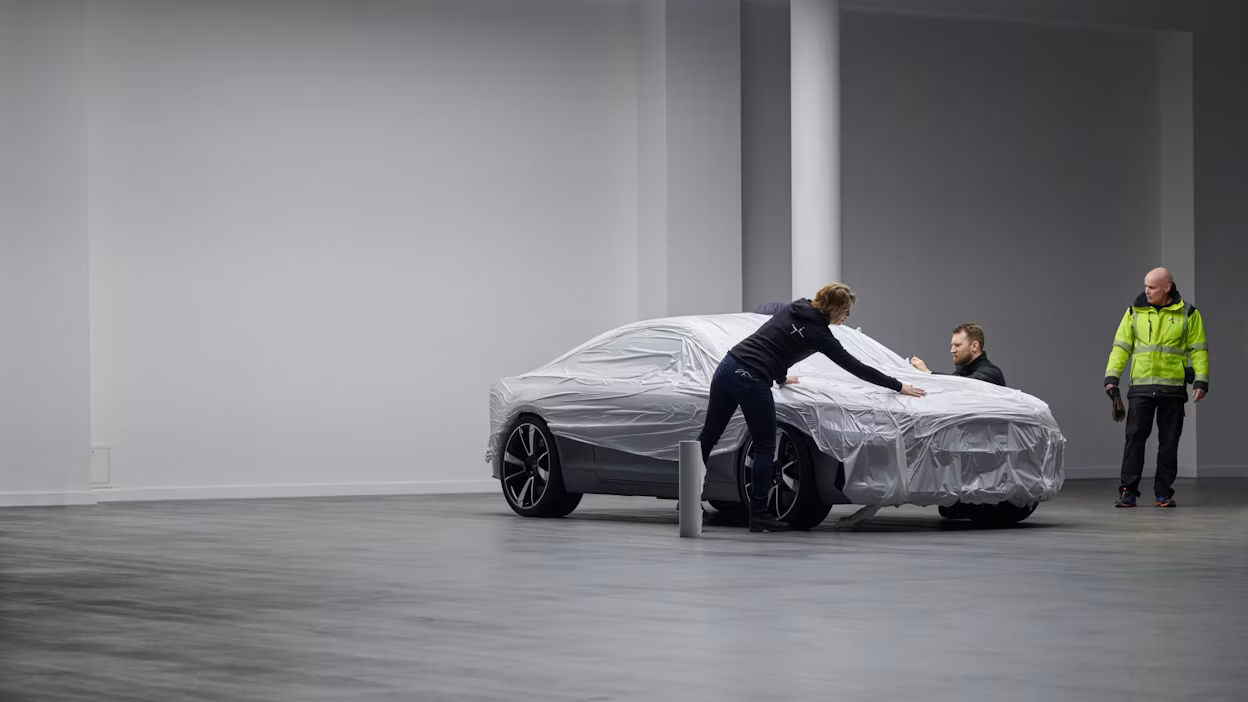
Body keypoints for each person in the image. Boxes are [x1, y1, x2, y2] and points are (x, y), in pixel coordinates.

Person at [698, 283, 926, 532]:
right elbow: (856, 367)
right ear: (835, 308)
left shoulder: (796, 307)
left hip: (728, 366)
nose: (847, 316)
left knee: (709, 435)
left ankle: (689, 498)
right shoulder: (820, 334)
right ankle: (760, 515)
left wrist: (781, 378)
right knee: (765, 444)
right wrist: (897, 385)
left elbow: (774, 340)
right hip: (751, 377)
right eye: (846, 310)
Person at [1106, 267, 1208, 509]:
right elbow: (1121, 347)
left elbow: (1199, 349)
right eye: (1145, 286)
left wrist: (1201, 380)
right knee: (1134, 440)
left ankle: (1163, 493)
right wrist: (1112, 377)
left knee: (1169, 442)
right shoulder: (1134, 312)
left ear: (1167, 287)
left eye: (1152, 287)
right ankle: (1127, 492)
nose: (1147, 291)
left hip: (1172, 391)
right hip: (1141, 388)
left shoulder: (1189, 314)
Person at [909, 323, 1006, 387]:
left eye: (958, 345)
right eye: (952, 345)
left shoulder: (991, 374)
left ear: (975, 346)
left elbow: (963, 386)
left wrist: (928, 373)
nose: (952, 350)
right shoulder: (961, 372)